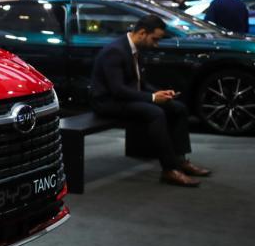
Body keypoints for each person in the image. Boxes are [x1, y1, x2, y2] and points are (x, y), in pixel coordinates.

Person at [89, 14, 211, 187]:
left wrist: (159, 93)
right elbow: (117, 90)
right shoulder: (115, 51)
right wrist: (153, 98)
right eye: (155, 39)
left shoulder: (134, 49)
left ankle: (180, 160)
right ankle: (169, 169)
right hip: (107, 102)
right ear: (142, 33)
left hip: (124, 98)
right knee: (155, 112)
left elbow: (141, 84)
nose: (156, 44)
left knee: (178, 108)